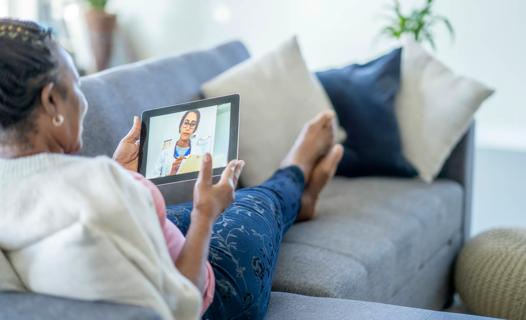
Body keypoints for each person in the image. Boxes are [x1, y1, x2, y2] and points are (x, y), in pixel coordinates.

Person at [0, 19, 343, 320]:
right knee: (255, 200)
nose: (83, 100)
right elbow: (183, 305)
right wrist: (205, 214)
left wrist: (122, 173)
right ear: (50, 102)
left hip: (156, 234)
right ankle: (295, 171)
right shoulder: (101, 189)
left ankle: (300, 197)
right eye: (76, 85)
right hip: (217, 294)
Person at [156, 110, 201, 177]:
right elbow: (154, 178)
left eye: (193, 124)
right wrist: (172, 173)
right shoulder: (165, 151)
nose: (188, 128)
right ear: (180, 126)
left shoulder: (198, 152)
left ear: (195, 129)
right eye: (186, 123)